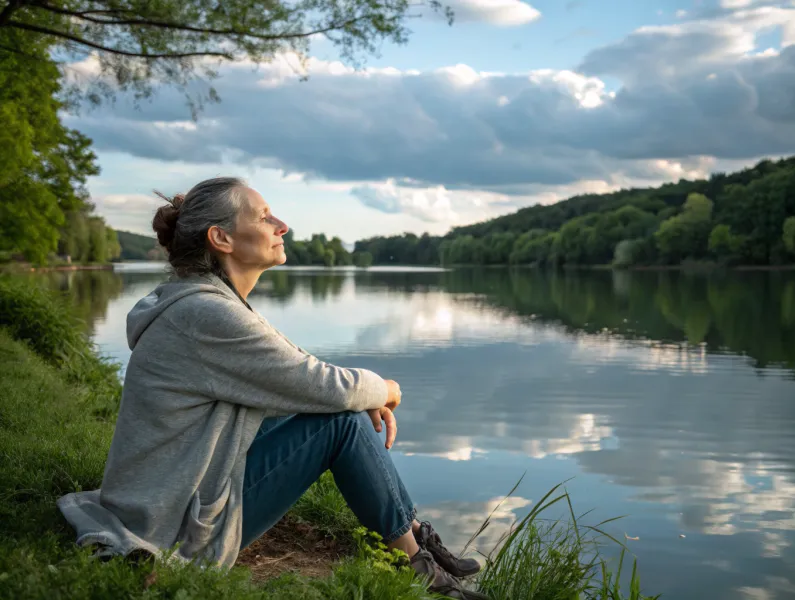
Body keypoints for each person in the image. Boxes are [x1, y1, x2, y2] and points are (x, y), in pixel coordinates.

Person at [57, 177, 490, 600]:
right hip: (176, 525)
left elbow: (299, 373)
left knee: (331, 407)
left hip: (173, 493)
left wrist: (362, 394)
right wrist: (387, 389)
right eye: (265, 217)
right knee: (340, 421)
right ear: (221, 238)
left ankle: (415, 536)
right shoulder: (206, 313)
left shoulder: (206, 301)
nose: (282, 225)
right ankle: (419, 571)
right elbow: (325, 385)